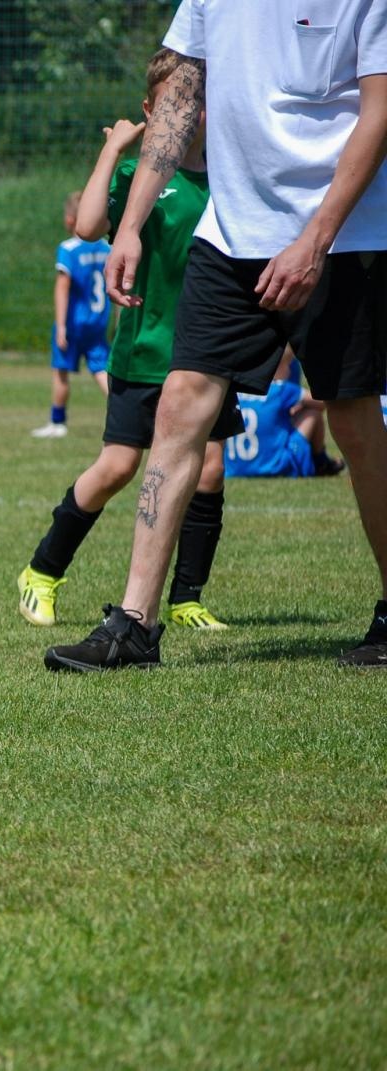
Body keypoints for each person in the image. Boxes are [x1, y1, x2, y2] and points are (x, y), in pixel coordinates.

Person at [45, 0, 387, 672]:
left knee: (350, 417)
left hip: (343, 238)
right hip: (230, 233)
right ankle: (136, 624)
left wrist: (315, 240)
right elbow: (179, 93)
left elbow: (380, 111)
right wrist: (132, 223)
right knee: (179, 405)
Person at [18, 48, 242, 634]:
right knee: (118, 466)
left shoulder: (228, 178)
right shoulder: (137, 178)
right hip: (144, 353)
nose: (191, 113)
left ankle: (186, 596)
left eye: (198, 101)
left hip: (204, 355)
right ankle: (42, 571)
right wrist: (112, 149)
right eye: (176, 103)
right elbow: (88, 227)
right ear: (151, 109)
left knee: (211, 468)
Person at [31, 191, 112, 438]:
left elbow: (62, 288)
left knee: (61, 371)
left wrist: (61, 326)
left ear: (69, 220)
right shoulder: (107, 248)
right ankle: (126, 412)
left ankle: (57, 422)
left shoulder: (68, 249)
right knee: (101, 370)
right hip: (98, 321)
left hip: (73, 323)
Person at [224, 348, 345, 478]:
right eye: (287, 366)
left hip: (233, 469)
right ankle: (322, 462)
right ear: (274, 368)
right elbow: (321, 404)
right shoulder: (280, 389)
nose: (289, 372)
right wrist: (302, 404)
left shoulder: (236, 390)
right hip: (275, 467)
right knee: (312, 413)